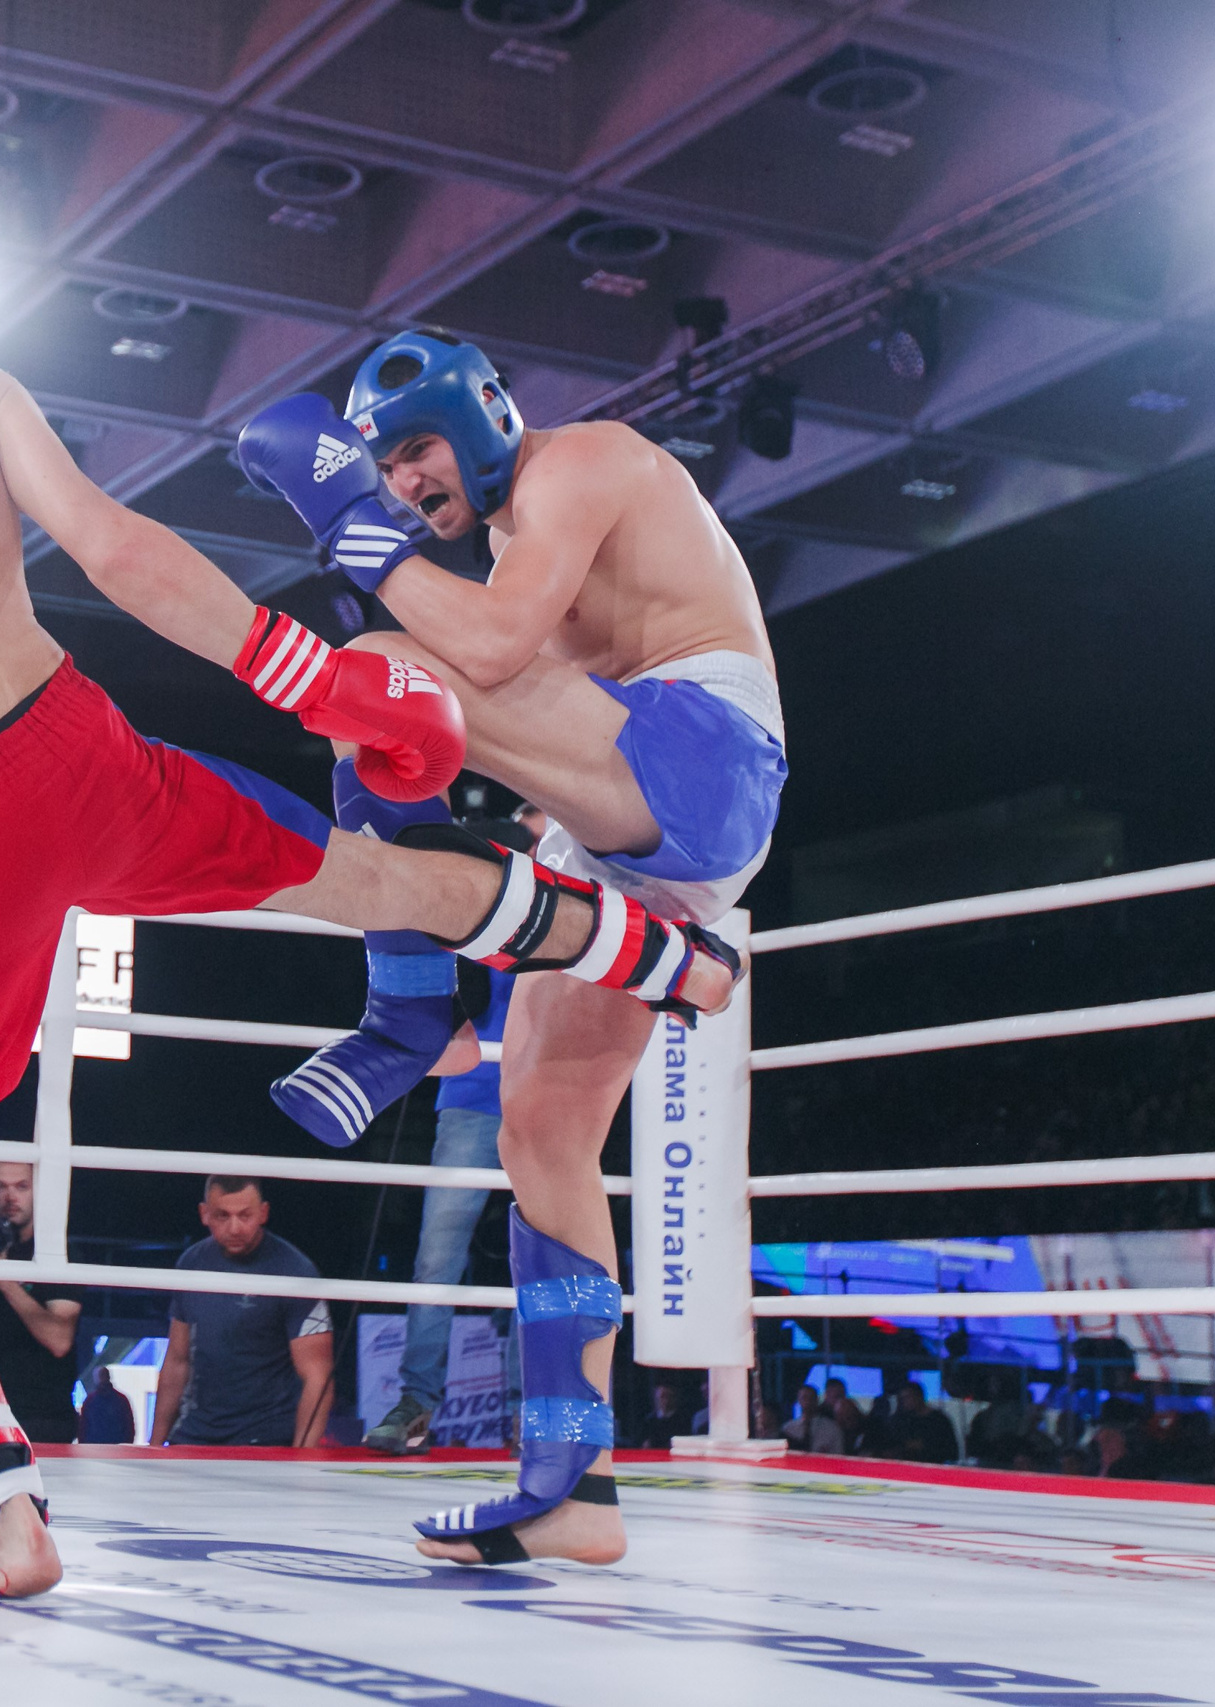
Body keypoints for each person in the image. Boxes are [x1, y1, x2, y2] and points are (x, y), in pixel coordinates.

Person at [0, 207, 741, 1600]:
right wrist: (316, 680)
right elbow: (116, 550)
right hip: (79, 748)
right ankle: (660, 950)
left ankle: (0, 1513)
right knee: (362, 875)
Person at [236, 334, 780, 1566]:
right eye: (377, 468)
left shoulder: (581, 463)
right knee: (541, 1127)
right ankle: (572, 1485)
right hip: (629, 831)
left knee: (373, 669)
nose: (403, 482)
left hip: (700, 756)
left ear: (480, 417)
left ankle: (408, 1008)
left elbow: (479, 657)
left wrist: (331, 511)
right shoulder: (502, 545)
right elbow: (519, 706)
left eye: (414, 449)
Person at [363, 817, 539, 1456]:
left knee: (539, 1257)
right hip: (469, 1104)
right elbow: (433, 1035)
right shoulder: (456, 921)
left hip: (545, 1103)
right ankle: (417, 1403)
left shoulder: (566, 912)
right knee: (438, 1256)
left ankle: (531, 1411)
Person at [151, 1177, 334, 1449]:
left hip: (266, 1438)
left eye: (244, 1215)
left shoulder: (295, 1271)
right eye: (222, 1216)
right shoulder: (191, 1263)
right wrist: (153, 1446)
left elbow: (318, 1374)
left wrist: (302, 1458)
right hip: (195, 1435)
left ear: (263, 1213)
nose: (234, 1228)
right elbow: (177, 1362)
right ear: (204, 1214)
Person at [0, 1162, 82, 1443]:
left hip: (44, 1418)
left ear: (39, 1191)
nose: (10, 1198)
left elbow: (59, 1340)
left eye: (21, 1187)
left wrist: (3, 1279)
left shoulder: (57, 1252)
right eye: (1, 1187)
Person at [78, 1367, 138, 1445]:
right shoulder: (122, 1400)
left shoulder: (90, 1401)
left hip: (93, 1451)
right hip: (117, 1451)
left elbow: (83, 1429)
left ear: (96, 1379)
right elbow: (129, 1429)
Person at [781, 1385, 844, 1455]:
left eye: (811, 1398)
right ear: (798, 1400)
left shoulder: (832, 1428)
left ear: (817, 1400)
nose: (808, 1401)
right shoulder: (788, 1428)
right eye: (804, 1397)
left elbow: (838, 1454)